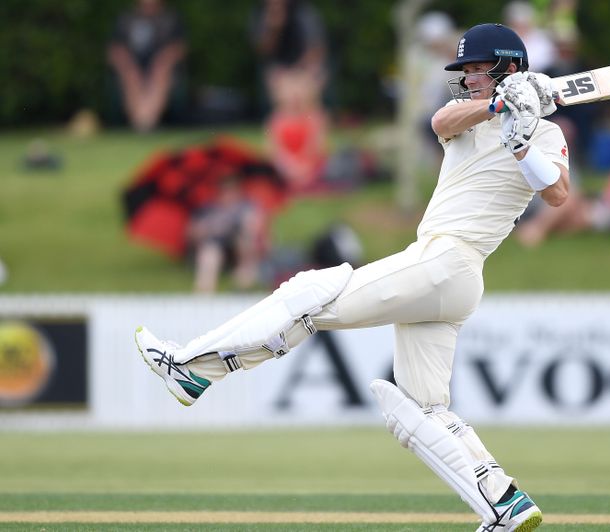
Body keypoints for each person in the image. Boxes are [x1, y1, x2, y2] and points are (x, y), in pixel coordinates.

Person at [135, 23, 569, 532]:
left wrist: (522, 143)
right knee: (419, 408)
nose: (467, 80)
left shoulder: (544, 131)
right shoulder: (470, 119)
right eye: (466, 71)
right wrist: (500, 106)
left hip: (450, 262)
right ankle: (504, 506)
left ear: (507, 67)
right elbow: (440, 120)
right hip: (444, 275)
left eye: (476, 70)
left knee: (310, 292)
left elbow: (558, 194)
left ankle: (195, 368)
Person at [106, 0, 187, 132]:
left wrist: (163, 61)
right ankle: (143, 121)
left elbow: (179, 49)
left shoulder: (170, 19)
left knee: (160, 73)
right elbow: (114, 51)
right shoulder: (126, 19)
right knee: (132, 76)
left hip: (161, 71)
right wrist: (127, 65)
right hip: (133, 71)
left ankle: (145, 121)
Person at [187, 176, 268, 294]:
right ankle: (205, 290)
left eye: (232, 190)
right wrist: (211, 228)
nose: (228, 194)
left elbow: (257, 230)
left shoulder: (247, 207)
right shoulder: (208, 208)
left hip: (240, 249)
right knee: (210, 252)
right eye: (224, 190)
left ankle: (244, 278)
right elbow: (193, 233)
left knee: (244, 240)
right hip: (216, 247)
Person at [249, 0, 328, 114]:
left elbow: (316, 49)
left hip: (305, 69)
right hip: (278, 70)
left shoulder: (303, 11)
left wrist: (297, 74)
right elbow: (263, 51)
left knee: (302, 94)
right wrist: (274, 28)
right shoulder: (261, 13)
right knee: (286, 95)